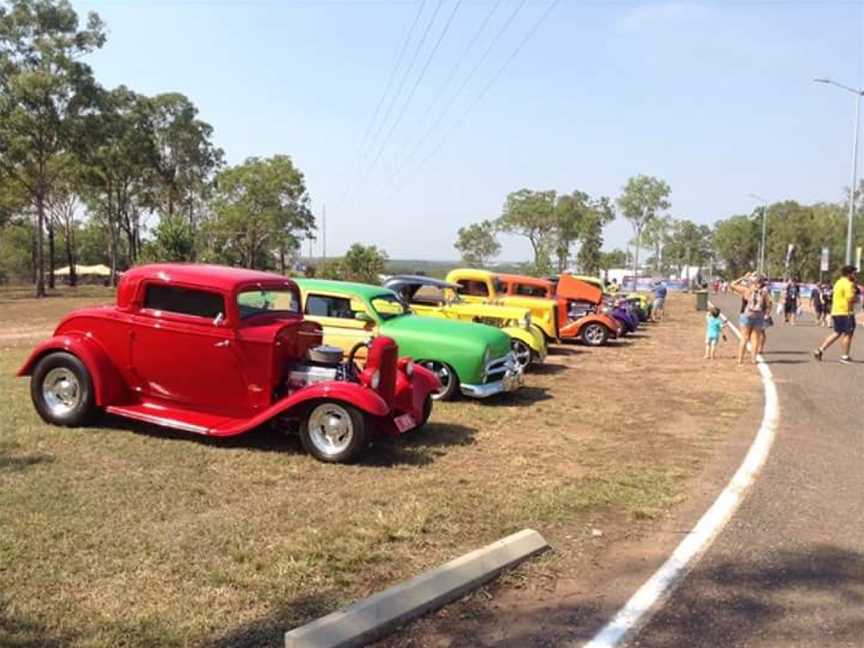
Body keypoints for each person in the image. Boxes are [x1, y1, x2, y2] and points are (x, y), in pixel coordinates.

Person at [813, 265, 857, 364]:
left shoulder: (838, 282)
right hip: (846, 312)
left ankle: (820, 350)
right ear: (849, 274)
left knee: (837, 332)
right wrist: (855, 296)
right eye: (854, 273)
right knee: (848, 334)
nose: (855, 276)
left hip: (836, 311)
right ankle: (845, 356)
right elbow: (850, 299)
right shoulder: (848, 284)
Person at [730, 272, 769, 366]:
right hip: (759, 315)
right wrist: (766, 314)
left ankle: (740, 360)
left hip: (747, 314)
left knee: (744, 338)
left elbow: (732, 284)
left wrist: (744, 277)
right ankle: (753, 359)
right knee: (755, 338)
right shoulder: (764, 292)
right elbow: (768, 304)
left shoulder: (746, 290)